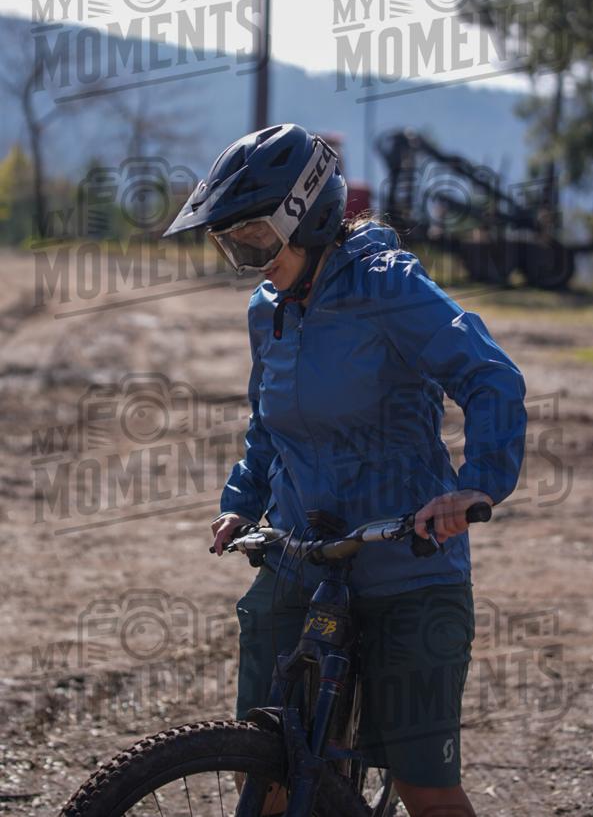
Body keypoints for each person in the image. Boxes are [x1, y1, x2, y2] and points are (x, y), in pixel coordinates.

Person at [164, 123, 527, 817]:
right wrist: (243, 499)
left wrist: (477, 483)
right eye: (232, 244)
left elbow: (491, 376)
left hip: (408, 559)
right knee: (263, 768)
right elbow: (268, 423)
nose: (248, 261)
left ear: (309, 216)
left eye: (256, 239)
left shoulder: (390, 286)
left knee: (426, 788)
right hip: (302, 553)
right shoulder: (267, 310)